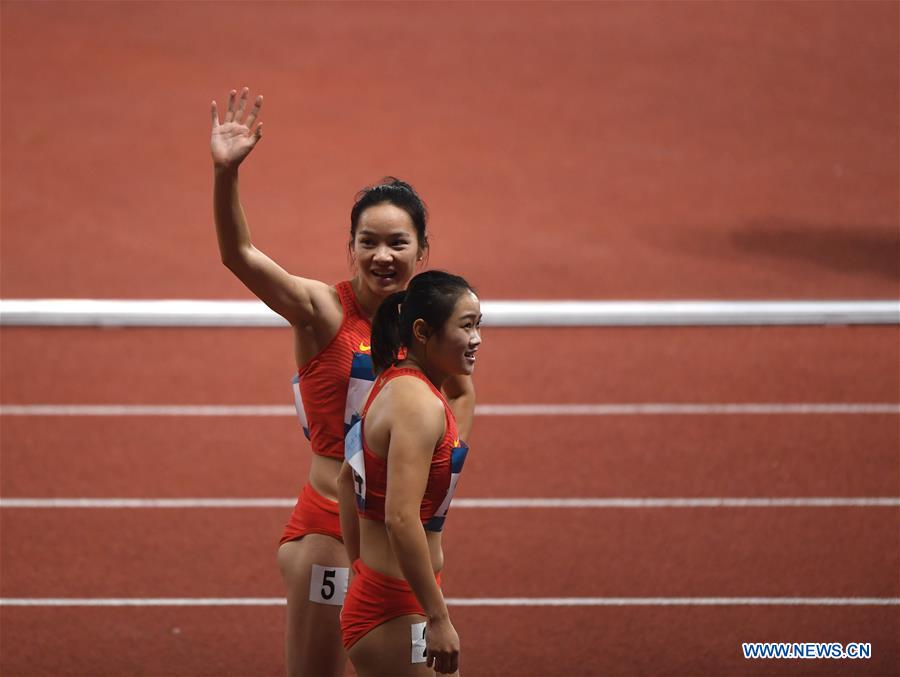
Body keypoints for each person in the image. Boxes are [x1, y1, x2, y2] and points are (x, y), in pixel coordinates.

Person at [210, 88, 475, 677]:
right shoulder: (321, 312)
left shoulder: (428, 333)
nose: (382, 256)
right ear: (350, 246)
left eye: (397, 243)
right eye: (368, 242)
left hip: (397, 544)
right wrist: (226, 174)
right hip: (329, 532)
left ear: (422, 250)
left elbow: (458, 403)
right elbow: (239, 255)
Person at [338, 270, 481, 677]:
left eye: (478, 325)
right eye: (465, 326)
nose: (476, 339)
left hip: (389, 594)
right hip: (394, 607)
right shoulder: (417, 405)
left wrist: (360, 570)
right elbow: (401, 518)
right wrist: (438, 617)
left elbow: (345, 483)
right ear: (422, 331)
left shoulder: (393, 381)